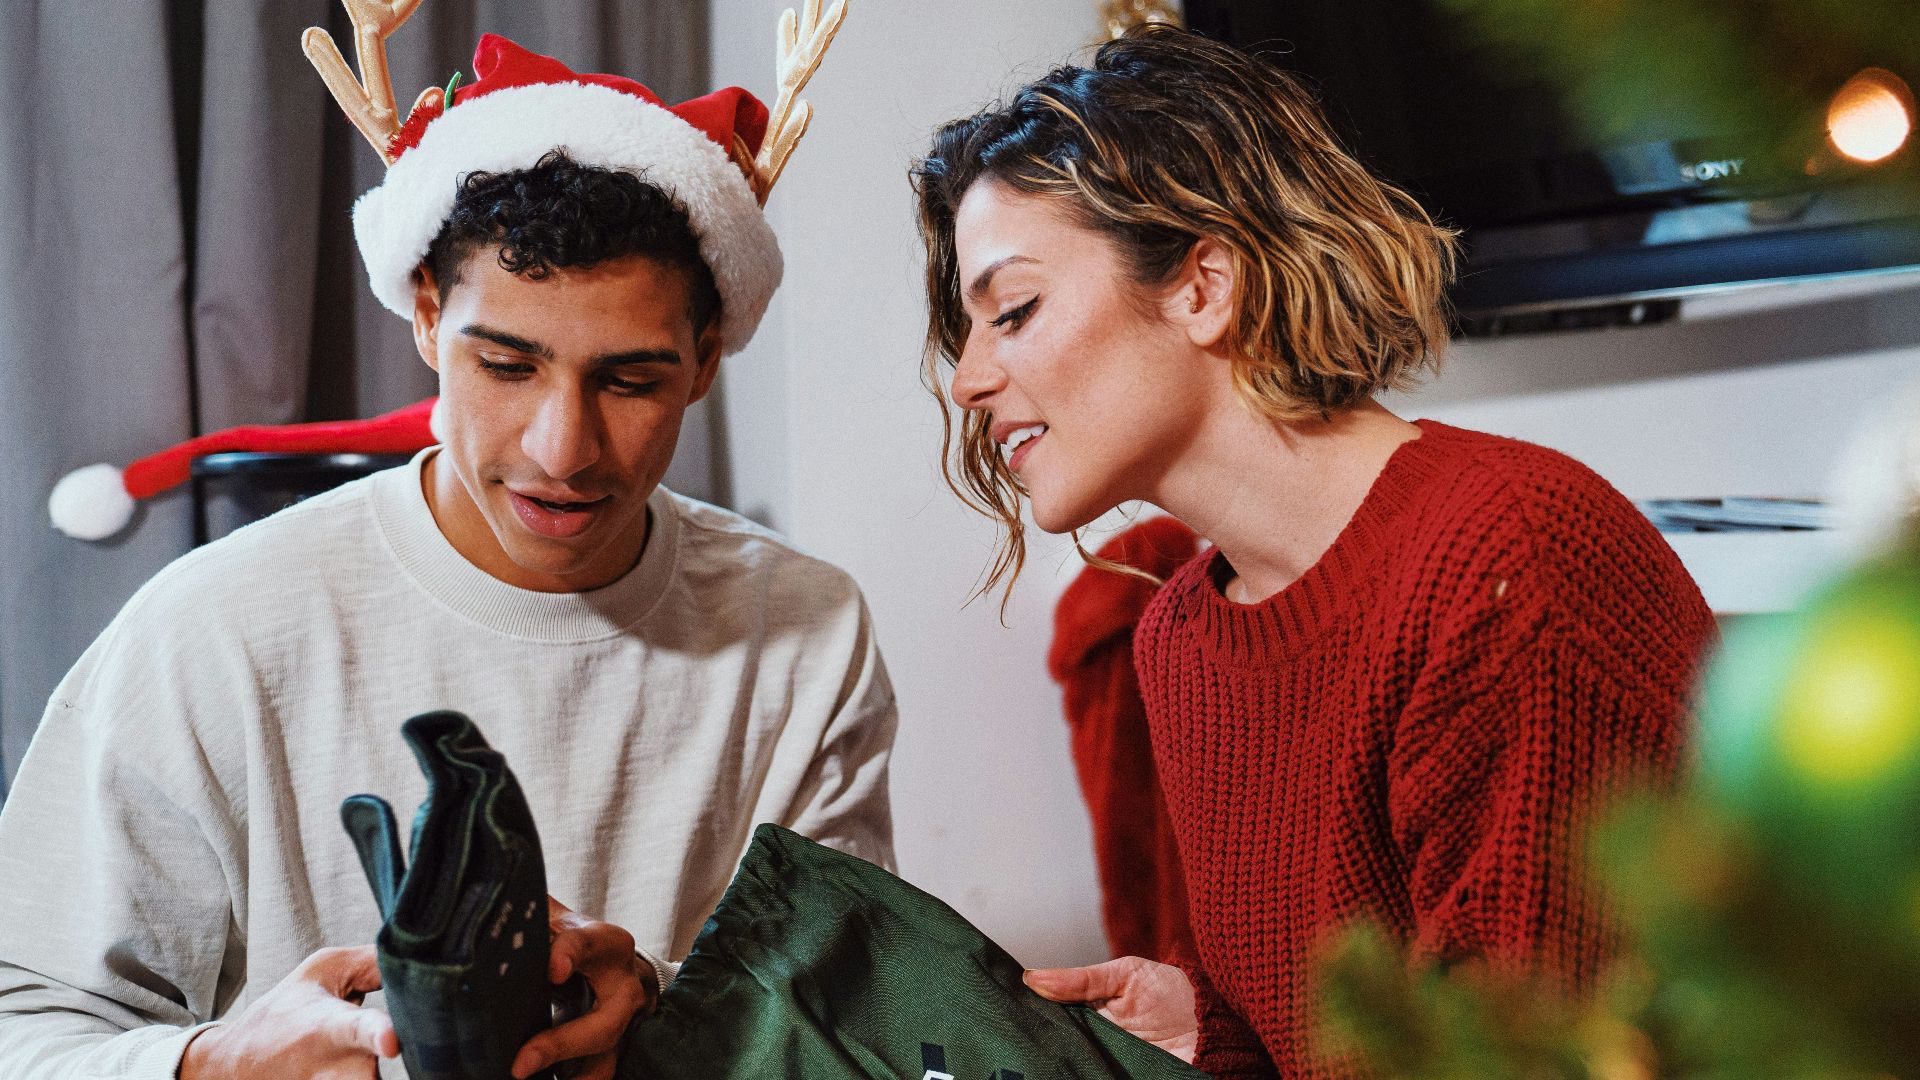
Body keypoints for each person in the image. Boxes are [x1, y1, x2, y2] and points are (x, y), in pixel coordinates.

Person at [0, 16, 891, 1080]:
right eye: (506, 366)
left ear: (704, 362)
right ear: (427, 317)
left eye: (630, 381)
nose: (563, 449)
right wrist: (211, 1063)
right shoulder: (213, 631)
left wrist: (656, 1006)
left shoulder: (804, 633)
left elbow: (855, 1033)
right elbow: (22, 1023)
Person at [912, 25, 1715, 1078]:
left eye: (1012, 310)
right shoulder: (1181, 638)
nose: (969, 381)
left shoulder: (1510, 560)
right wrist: (1217, 1029)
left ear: (1205, 286)